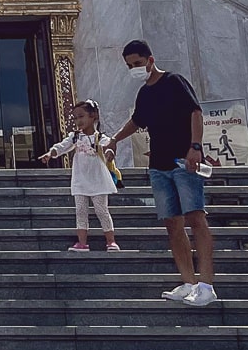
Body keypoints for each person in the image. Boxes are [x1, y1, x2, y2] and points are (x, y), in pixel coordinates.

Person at [109, 38, 216, 306]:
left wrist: (195, 146)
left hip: (184, 160)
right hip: (158, 165)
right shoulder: (144, 93)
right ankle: (188, 281)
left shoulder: (174, 82)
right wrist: (114, 139)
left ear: (150, 59)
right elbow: (136, 121)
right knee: (172, 223)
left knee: (196, 218)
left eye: (137, 63)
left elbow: (195, 112)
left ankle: (206, 285)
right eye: (129, 65)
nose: (134, 68)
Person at [41, 100, 122, 252]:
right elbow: (62, 146)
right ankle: (82, 242)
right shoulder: (75, 137)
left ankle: (111, 241)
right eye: (76, 118)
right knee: (81, 210)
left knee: (101, 210)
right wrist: (50, 153)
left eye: (81, 116)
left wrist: (109, 154)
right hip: (80, 180)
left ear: (93, 116)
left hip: (97, 180)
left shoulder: (101, 138)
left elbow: (108, 148)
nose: (79, 121)